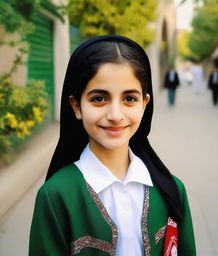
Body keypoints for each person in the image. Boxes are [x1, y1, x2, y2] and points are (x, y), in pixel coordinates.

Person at [29, 35, 196, 256]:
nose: (116, 115)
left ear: (145, 104)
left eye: (129, 99)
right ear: (76, 106)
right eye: (99, 99)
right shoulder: (56, 196)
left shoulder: (172, 190)